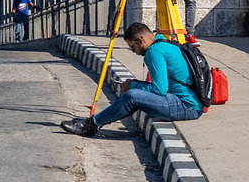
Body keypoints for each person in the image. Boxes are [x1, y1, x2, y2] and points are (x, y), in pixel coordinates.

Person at [60, 22, 203, 136]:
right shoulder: (166, 44)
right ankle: (94, 122)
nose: (133, 51)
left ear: (140, 40)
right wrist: (135, 85)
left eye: (132, 47)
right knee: (135, 95)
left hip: (186, 106)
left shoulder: (154, 52)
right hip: (186, 102)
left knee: (132, 96)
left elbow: (159, 89)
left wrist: (132, 86)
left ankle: (90, 126)